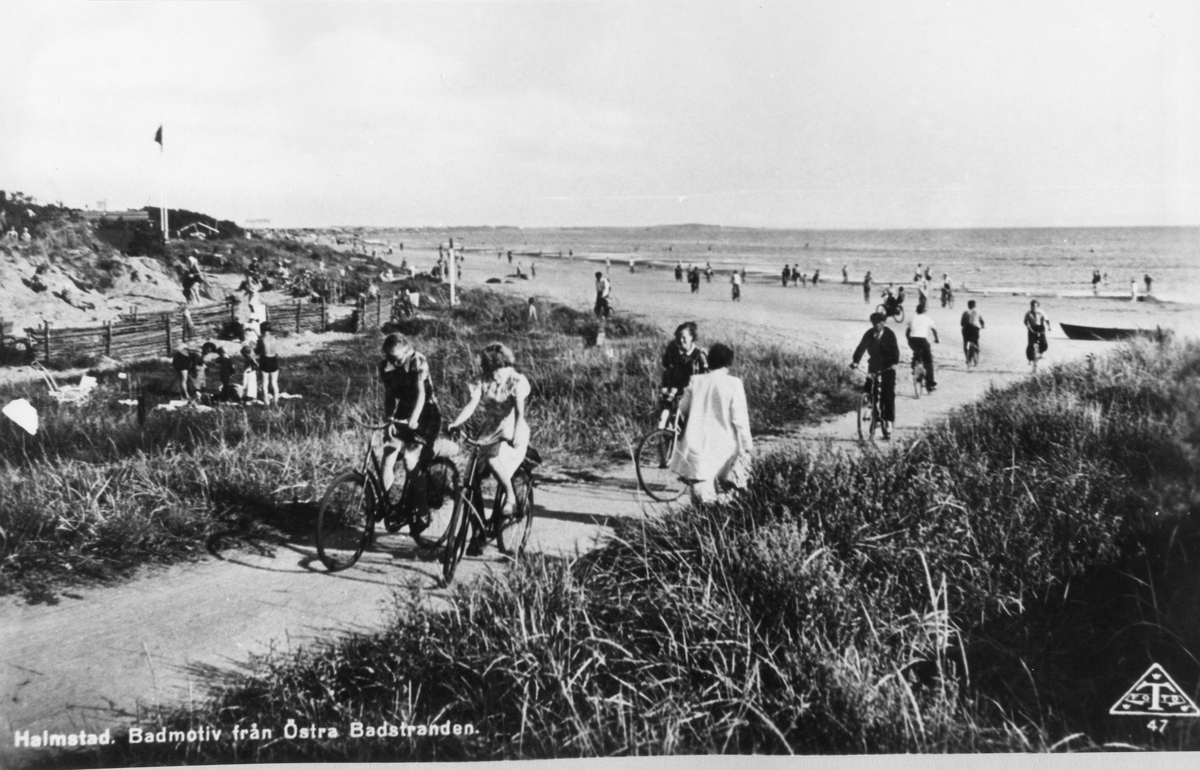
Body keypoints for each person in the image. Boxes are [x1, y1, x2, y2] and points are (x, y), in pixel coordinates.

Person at [446, 342, 531, 553]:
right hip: (489, 431)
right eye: (492, 371)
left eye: (499, 370)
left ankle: (510, 496)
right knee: (470, 479)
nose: (496, 376)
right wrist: (456, 423)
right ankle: (478, 532)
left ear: (506, 366)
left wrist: (517, 436)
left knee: (494, 459)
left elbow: (520, 414)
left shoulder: (515, 380)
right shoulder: (483, 381)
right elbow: (471, 405)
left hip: (510, 430)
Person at [668, 342, 753, 505]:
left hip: (697, 448)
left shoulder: (696, 381)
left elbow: (681, 409)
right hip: (726, 449)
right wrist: (747, 445)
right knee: (737, 495)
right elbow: (740, 420)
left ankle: (703, 522)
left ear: (710, 361)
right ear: (728, 363)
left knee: (701, 501)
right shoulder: (734, 384)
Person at [378, 333, 442, 532]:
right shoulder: (385, 366)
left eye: (396, 359)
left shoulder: (418, 361)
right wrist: (389, 419)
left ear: (407, 351)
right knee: (387, 454)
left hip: (426, 412)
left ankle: (423, 510)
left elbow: (421, 394)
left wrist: (414, 419)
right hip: (403, 412)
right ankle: (384, 503)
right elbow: (389, 396)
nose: (393, 363)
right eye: (390, 358)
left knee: (409, 460)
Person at [850, 312, 900, 439]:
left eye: (877, 323)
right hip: (874, 364)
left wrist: (894, 362)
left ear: (883, 323)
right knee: (869, 386)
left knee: (888, 392)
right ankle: (874, 414)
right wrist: (855, 361)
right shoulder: (869, 334)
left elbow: (895, 349)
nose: (875, 325)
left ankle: (888, 420)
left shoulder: (889, 334)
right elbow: (861, 348)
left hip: (888, 365)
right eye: (873, 323)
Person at [657, 322, 709, 429]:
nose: (681, 341)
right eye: (678, 338)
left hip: (695, 395)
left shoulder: (699, 355)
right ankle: (667, 435)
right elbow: (668, 372)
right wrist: (666, 387)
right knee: (667, 412)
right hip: (678, 392)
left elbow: (708, 376)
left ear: (691, 337)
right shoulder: (674, 354)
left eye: (684, 338)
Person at [905, 304, 939, 392]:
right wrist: (936, 339)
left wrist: (909, 341)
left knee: (916, 353)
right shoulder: (927, 318)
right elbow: (934, 330)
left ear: (917, 310)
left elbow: (907, 333)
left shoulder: (912, 318)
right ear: (924, 311)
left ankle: (914, 367)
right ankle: (930, 383)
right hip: (923, 341)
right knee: (928, 361)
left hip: (913, 341)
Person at [256, 323, 281, 406]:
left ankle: (266, 402)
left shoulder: (261, 339)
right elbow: (276, 351)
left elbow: (257, 351)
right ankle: (276, 401)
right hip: (274, 359)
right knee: (274, 382)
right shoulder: (275, 338)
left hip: (265, 360)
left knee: (265, 383)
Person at [1023, 300, 1051, 365]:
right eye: (1032, 306)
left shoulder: (1041, 312)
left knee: (1044, 343)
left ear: (1037, 307)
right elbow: (1025, 321)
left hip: (1040, 327)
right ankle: (1030, 359)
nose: (1033, 307)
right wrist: (1028, 327)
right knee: (1030, 345)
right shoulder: (1028, 313)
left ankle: (1041, 353)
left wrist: (1049, 327)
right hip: (1032, 328)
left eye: (1035, 306)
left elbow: (1047, 320)